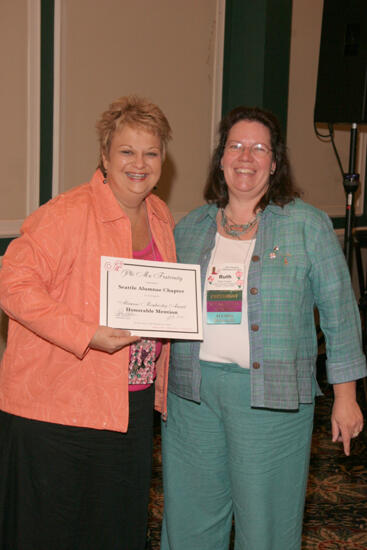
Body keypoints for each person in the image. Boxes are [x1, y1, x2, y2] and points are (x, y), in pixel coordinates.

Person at [160, 106, 366, 550]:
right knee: (190, 522)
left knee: (266, 528)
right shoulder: (191, 227)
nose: (245, 156)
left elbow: (341, 314)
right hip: (192, 395)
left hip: (270, 398)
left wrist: (345, 398)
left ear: (275, 162)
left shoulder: (305, 225)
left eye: (259, 148)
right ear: (221, 158)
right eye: (235, 145)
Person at [0, 95, 176, 550]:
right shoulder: (66, 213)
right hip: (60, 407)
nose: (139, 163)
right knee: (55, 533)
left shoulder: (159, 216)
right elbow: (13, 284)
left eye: (151, 152)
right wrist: (87, 334)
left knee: (116, 529)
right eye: (126, 151)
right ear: (104, 155)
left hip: (129, 406)